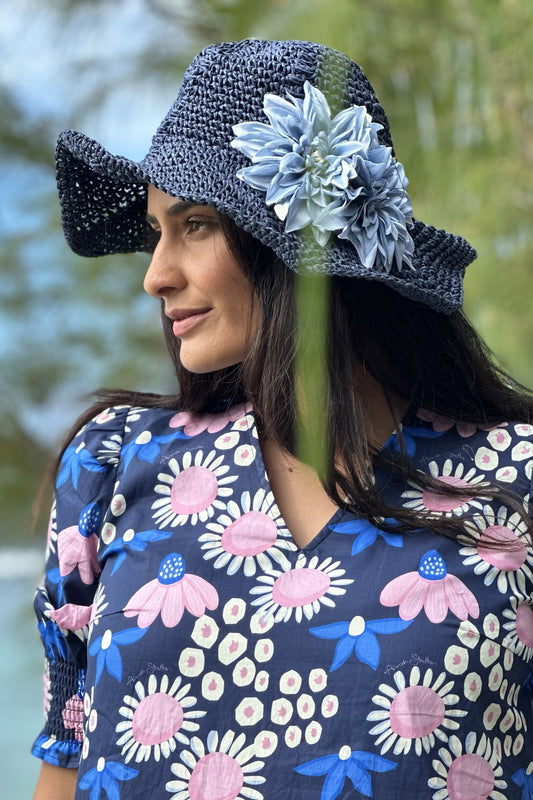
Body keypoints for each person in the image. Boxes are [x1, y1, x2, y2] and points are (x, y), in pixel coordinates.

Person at [32, 39, 533, 800]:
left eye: (195, 224)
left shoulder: (516, 477)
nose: (155, 275)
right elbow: (63, 764)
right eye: (157, 232)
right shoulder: (109, 466)